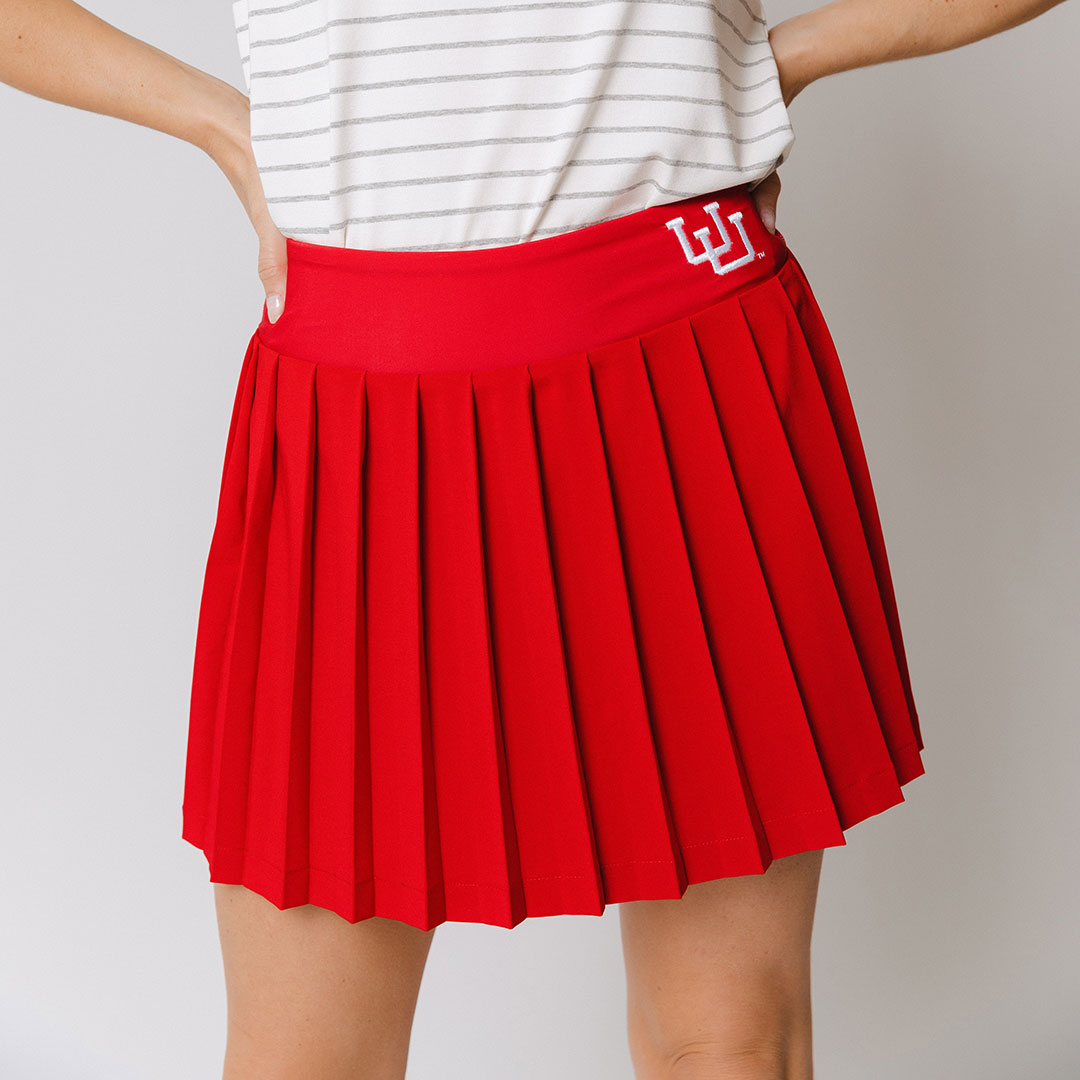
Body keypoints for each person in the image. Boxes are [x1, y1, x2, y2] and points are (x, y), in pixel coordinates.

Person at [0, 1, 1065, 1077]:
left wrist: (784, 60)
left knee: (727, 1044)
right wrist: (221, 123)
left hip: (679, 360)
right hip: (356, 410)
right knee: (305, 1061)